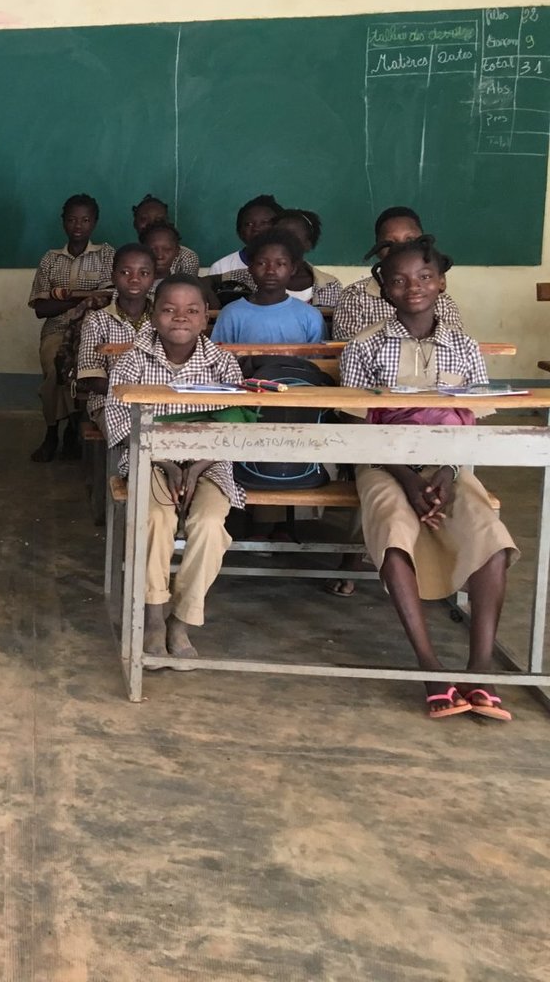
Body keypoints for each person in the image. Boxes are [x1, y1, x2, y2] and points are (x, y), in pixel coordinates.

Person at [339, 237, 517, 721]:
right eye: (397, 279)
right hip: (382, 464)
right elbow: (357, 425)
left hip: (450, 466)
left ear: (440, 282)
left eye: (423, 277)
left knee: (490, 536)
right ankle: (430, 666)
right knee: (394, 530)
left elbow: (472, 418)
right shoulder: (365, 345)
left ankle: (480, 670)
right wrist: (407, 478)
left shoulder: (464, 348)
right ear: (383, 288)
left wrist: (445, 471)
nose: (411, 287)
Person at [103, 275, 245, 667]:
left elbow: (232, 422)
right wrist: (165, 460)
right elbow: (117, 418)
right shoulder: (132, 360)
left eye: (192, 311)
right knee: (153, 517)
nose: (179, 318)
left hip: (208, 462)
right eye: (168, 309)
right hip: (150, 459)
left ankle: (182, 619)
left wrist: (197, 466)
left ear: (205, 319)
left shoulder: (222, 362)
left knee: (210, 525)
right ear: (153, 315)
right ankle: (153, 616)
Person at [28, 194, 114, 462]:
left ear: (95, 223)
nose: (78, 226)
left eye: (85, 220)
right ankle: (54, 431)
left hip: (95, 331)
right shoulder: (51, 259)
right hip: (57, 330)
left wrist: (62, 295)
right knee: (56, 367)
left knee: (84, 369)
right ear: (63, 222)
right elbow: (41, 309)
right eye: (72, 219)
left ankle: (73, 430)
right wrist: (85, 296)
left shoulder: (108, 255)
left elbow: (109, 298)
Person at [333, 206, 464, 340]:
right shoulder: (354, 297)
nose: (402, 249)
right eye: (390, 243)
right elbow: (347, 350)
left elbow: (454, 346)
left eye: (410, 240)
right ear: (377, 250)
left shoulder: (443, 302)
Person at [74, 244, 155, 429]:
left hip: (157, 402)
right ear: (113, 276)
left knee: (167, 437)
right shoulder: (97, 320)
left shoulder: (163, 319)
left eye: (143, 273)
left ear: (153, 278)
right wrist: (133, 396)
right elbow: (92, 376)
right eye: (125, 272)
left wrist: (150, 397)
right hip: (109, 402)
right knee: (136, 438)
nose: (134, 279)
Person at [211, 229, 326, 344]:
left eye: (280, 263)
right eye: (262, 263)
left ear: (293, 269)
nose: (270, 271)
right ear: (250, 268)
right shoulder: (231, 314)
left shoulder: (310, 316)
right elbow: (219, 358)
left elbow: (320, 360)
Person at [206, 194, 283, 277]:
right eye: (249, 224)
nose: (256, 228)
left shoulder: (288, 266)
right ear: (240, 232)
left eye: (264, 223)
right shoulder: (222, 267)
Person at [131, 196, 199, 275]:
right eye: (144, 219)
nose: (152, 223)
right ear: (135, 223)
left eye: (159, 220)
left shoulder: (187, 258)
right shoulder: (128, 256)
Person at [140, 220, 186, 291]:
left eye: (167, 249)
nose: (159, 256)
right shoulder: (134, 285)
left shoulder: (183, 286)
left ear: (177, 252)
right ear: (143, 250)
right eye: (153, 250)